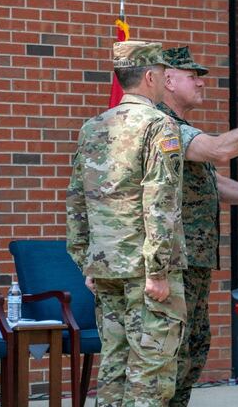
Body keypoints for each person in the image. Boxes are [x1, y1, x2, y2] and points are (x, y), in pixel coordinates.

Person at [66, 40, 187, 407]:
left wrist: (86, 259)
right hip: (144, 272)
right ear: (149, 77)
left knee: (115, 367)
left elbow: (76, 199)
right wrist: (159, 270)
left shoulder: (93, 127)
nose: (166, 83)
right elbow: (160, 200)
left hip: (106, 267)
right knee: (151, 374)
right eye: (164, 76)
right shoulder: (159, 126)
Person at [158, 46, 238, 406]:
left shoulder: (183, 129)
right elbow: (220, 151)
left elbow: (215, 181)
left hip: (193, 261)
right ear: (167, 80)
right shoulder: (161, 126)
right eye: (191, 75)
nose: (200, 83)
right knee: (172, 350)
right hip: (172, 261)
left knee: (194, 345)